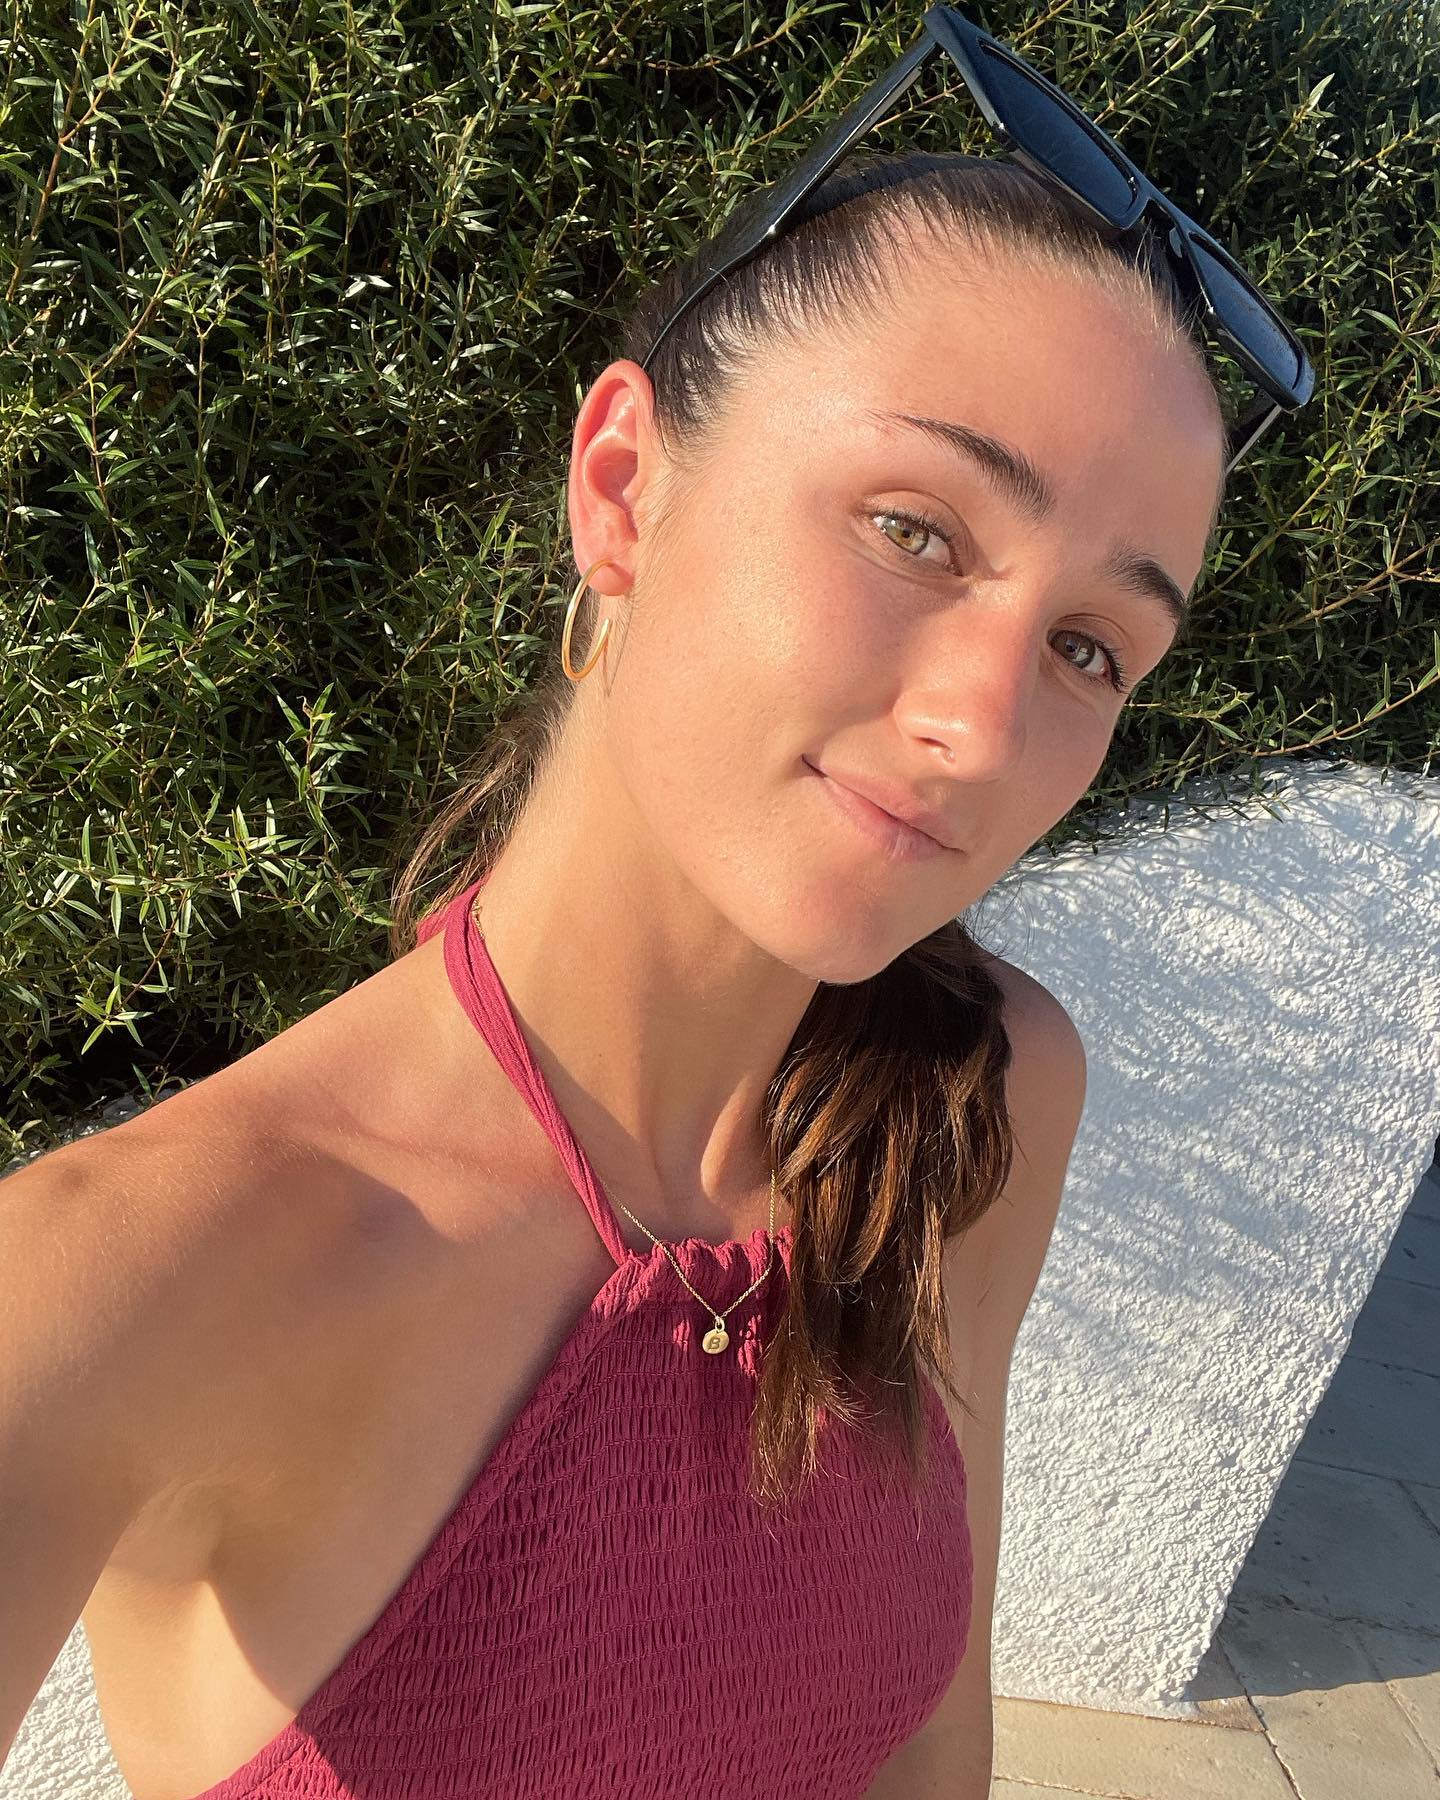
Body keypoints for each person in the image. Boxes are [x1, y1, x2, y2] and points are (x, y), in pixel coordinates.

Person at [3, 50, 1273, 1800]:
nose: (985, 729)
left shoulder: (972, 1101)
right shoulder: (127, 1278)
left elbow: (933, 1746)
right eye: (914, 530)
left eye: (1089, 649)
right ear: (621, 487)